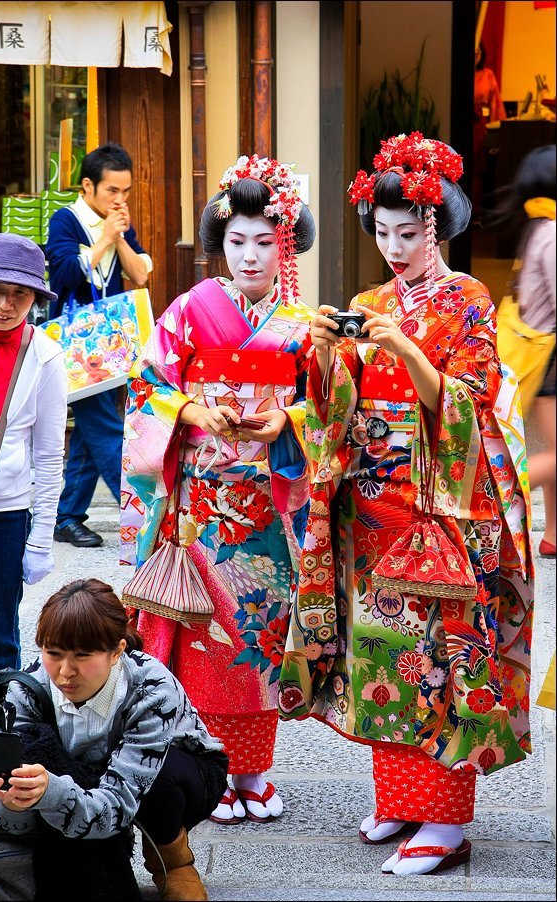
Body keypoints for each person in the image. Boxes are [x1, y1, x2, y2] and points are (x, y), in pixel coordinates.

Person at [279, 132, 534, 875]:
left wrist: (410, 351)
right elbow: (333, 409)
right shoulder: (369, 301)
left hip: (441, 506)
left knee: (438, 656)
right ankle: (399, 796)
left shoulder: (470, 299)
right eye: (382, 233)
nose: (393, 248)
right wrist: (327, 354)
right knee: (378, 652)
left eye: (406, 234)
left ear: (439, 228)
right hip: (370, 503)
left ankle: (446, 821)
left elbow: (471, 402)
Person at [122, 154, 316, 825]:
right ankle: (212, 771)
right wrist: (190, 411)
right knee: (208, 640)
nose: (251, 256)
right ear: (219, 246)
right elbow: (146, 386)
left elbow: (325, 404)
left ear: (285, 245)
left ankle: (256, 773)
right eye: (238, 242)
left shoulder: (302, 324)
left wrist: (287, 419)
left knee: (261, 637)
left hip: (270, 506)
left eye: (266, 242)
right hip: (202, 505)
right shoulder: (189, 310)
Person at [0, 579, 228, 902]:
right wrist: (17, 802)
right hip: (82, 778)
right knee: (36, 762)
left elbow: (118, 805)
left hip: (177, 777)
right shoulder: (26, 689)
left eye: (83, 656)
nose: (66, 672)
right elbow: (11, 824)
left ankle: (172, 859)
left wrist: (51, 792)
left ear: (117, 652)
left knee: (161, 778)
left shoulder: (151, 689)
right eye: (53, 653)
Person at [0, 232, 68, 755]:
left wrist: (41, 536)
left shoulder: (44, 357)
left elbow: (49, 454)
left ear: (34, 300)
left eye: (19, 295)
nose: (4, 305)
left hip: (4, 515)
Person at [45, 142, 153, 548]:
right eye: (112, 191)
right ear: (88, 186)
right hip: (78, 349)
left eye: (125, 192)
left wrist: (119, 236)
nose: (120, 200)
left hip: (111, 344)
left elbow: (140, 274)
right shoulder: (65, 220)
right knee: (108, 430)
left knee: (95, 432)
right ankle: (139, 516)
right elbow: (65, 275)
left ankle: (67, 516)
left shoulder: (117, 221)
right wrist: (105, 237)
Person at [490, 144, 556, 557]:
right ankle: (494, 487)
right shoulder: (551, 232)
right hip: (548, 356)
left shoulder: (538, 225)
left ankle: (552, 536)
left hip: (541, 351)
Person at [473, 42, 507, 218]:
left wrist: (496, 132)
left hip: (479, 126)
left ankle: (476, 213)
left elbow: (495, 105)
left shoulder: (487, 75)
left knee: (478, 169)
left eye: (478, 52)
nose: (475, 55)